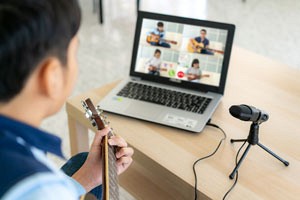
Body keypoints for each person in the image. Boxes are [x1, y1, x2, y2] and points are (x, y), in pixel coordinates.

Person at [0, 1, 133, 200]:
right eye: (74, 53)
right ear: (51, 76)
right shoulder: (40, 189)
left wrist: (88, 176)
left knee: (82, 161)